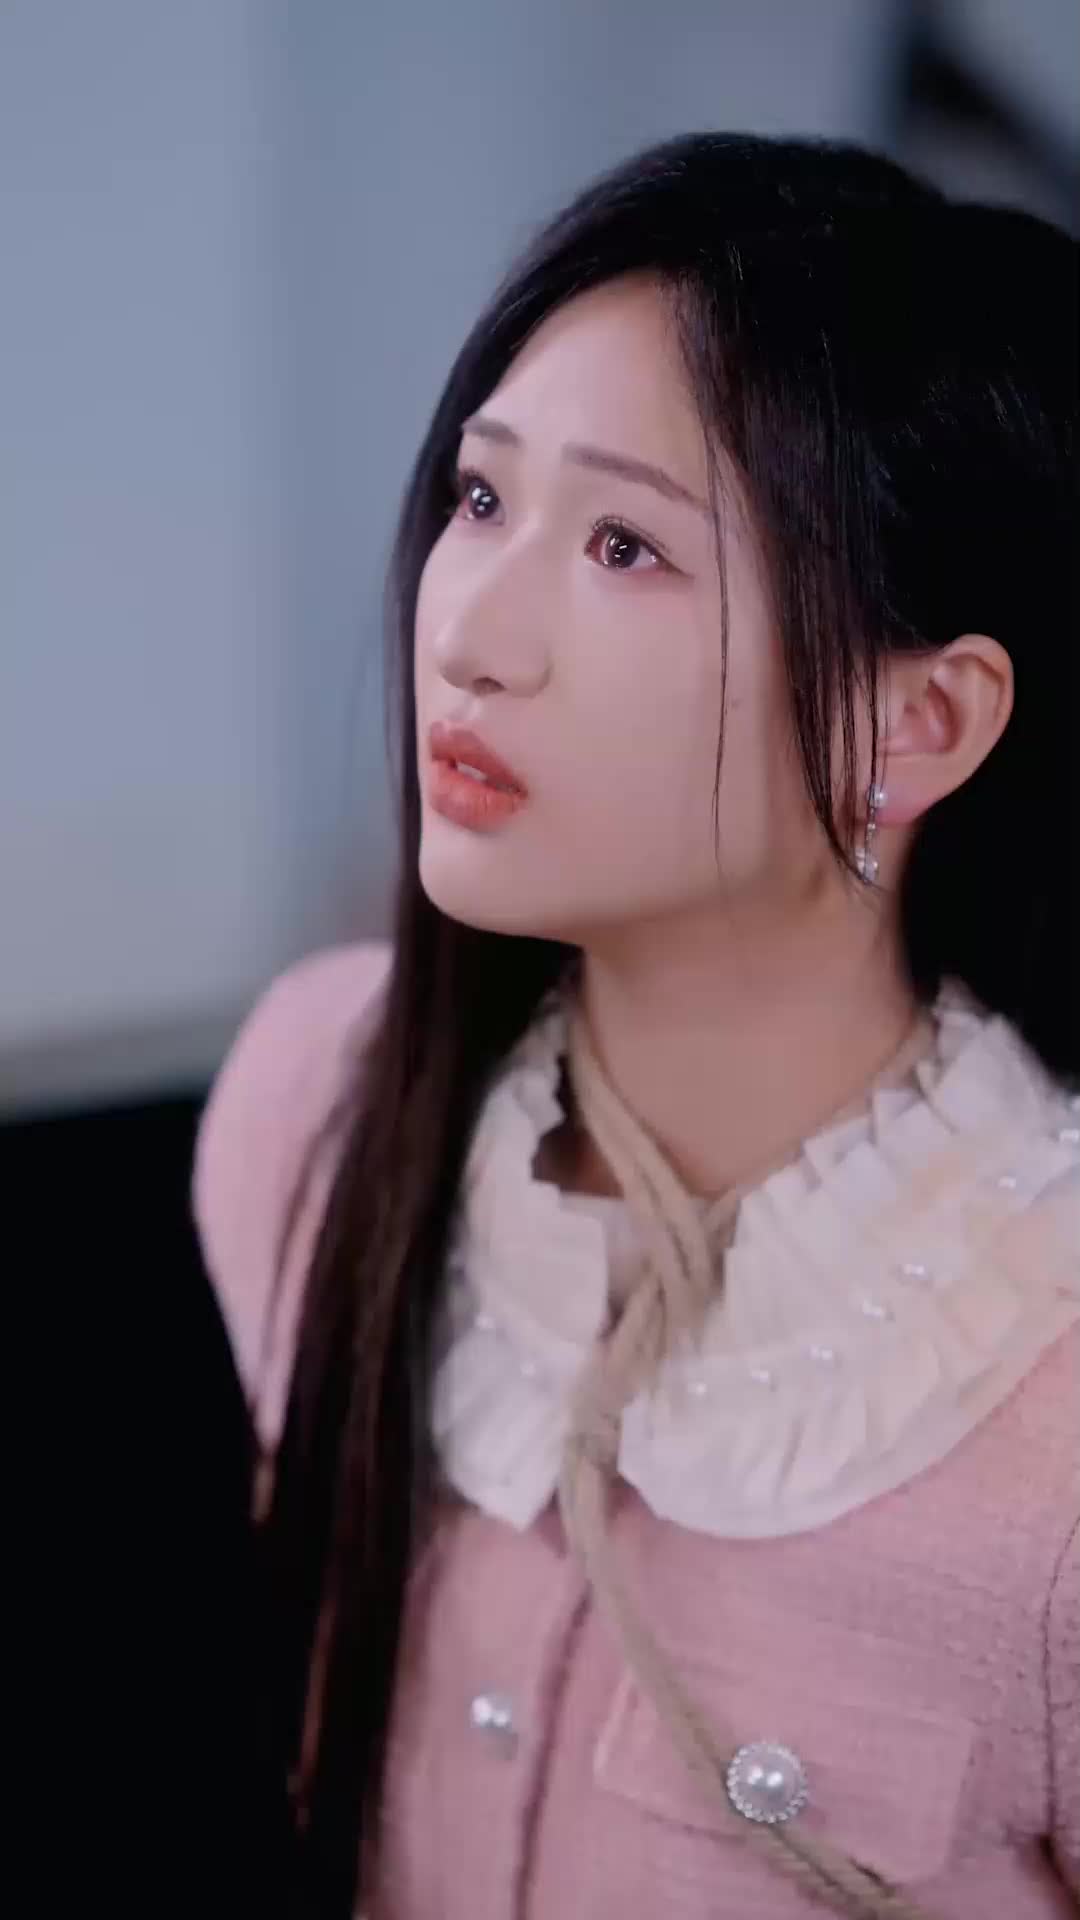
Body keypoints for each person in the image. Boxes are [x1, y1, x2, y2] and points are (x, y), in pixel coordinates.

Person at [193, 133, 1079, 1918]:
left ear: (916, 725)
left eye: (624, 545)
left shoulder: (1044, 1395)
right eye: (480, 498)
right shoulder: (315, 1107)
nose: (474, 635)